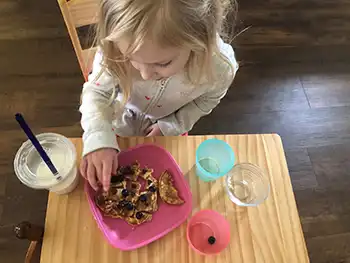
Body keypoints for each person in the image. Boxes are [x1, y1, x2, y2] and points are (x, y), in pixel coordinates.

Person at [79, 0, 239, 192]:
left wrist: (171, 125)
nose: (145, 75)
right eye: (130, 58)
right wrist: (98, 137)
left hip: (168, 133)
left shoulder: (219, 68)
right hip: (116, 127)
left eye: (162, 64)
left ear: (199, 41)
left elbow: (207, 100)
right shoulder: (114, 47)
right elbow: (97, 92)